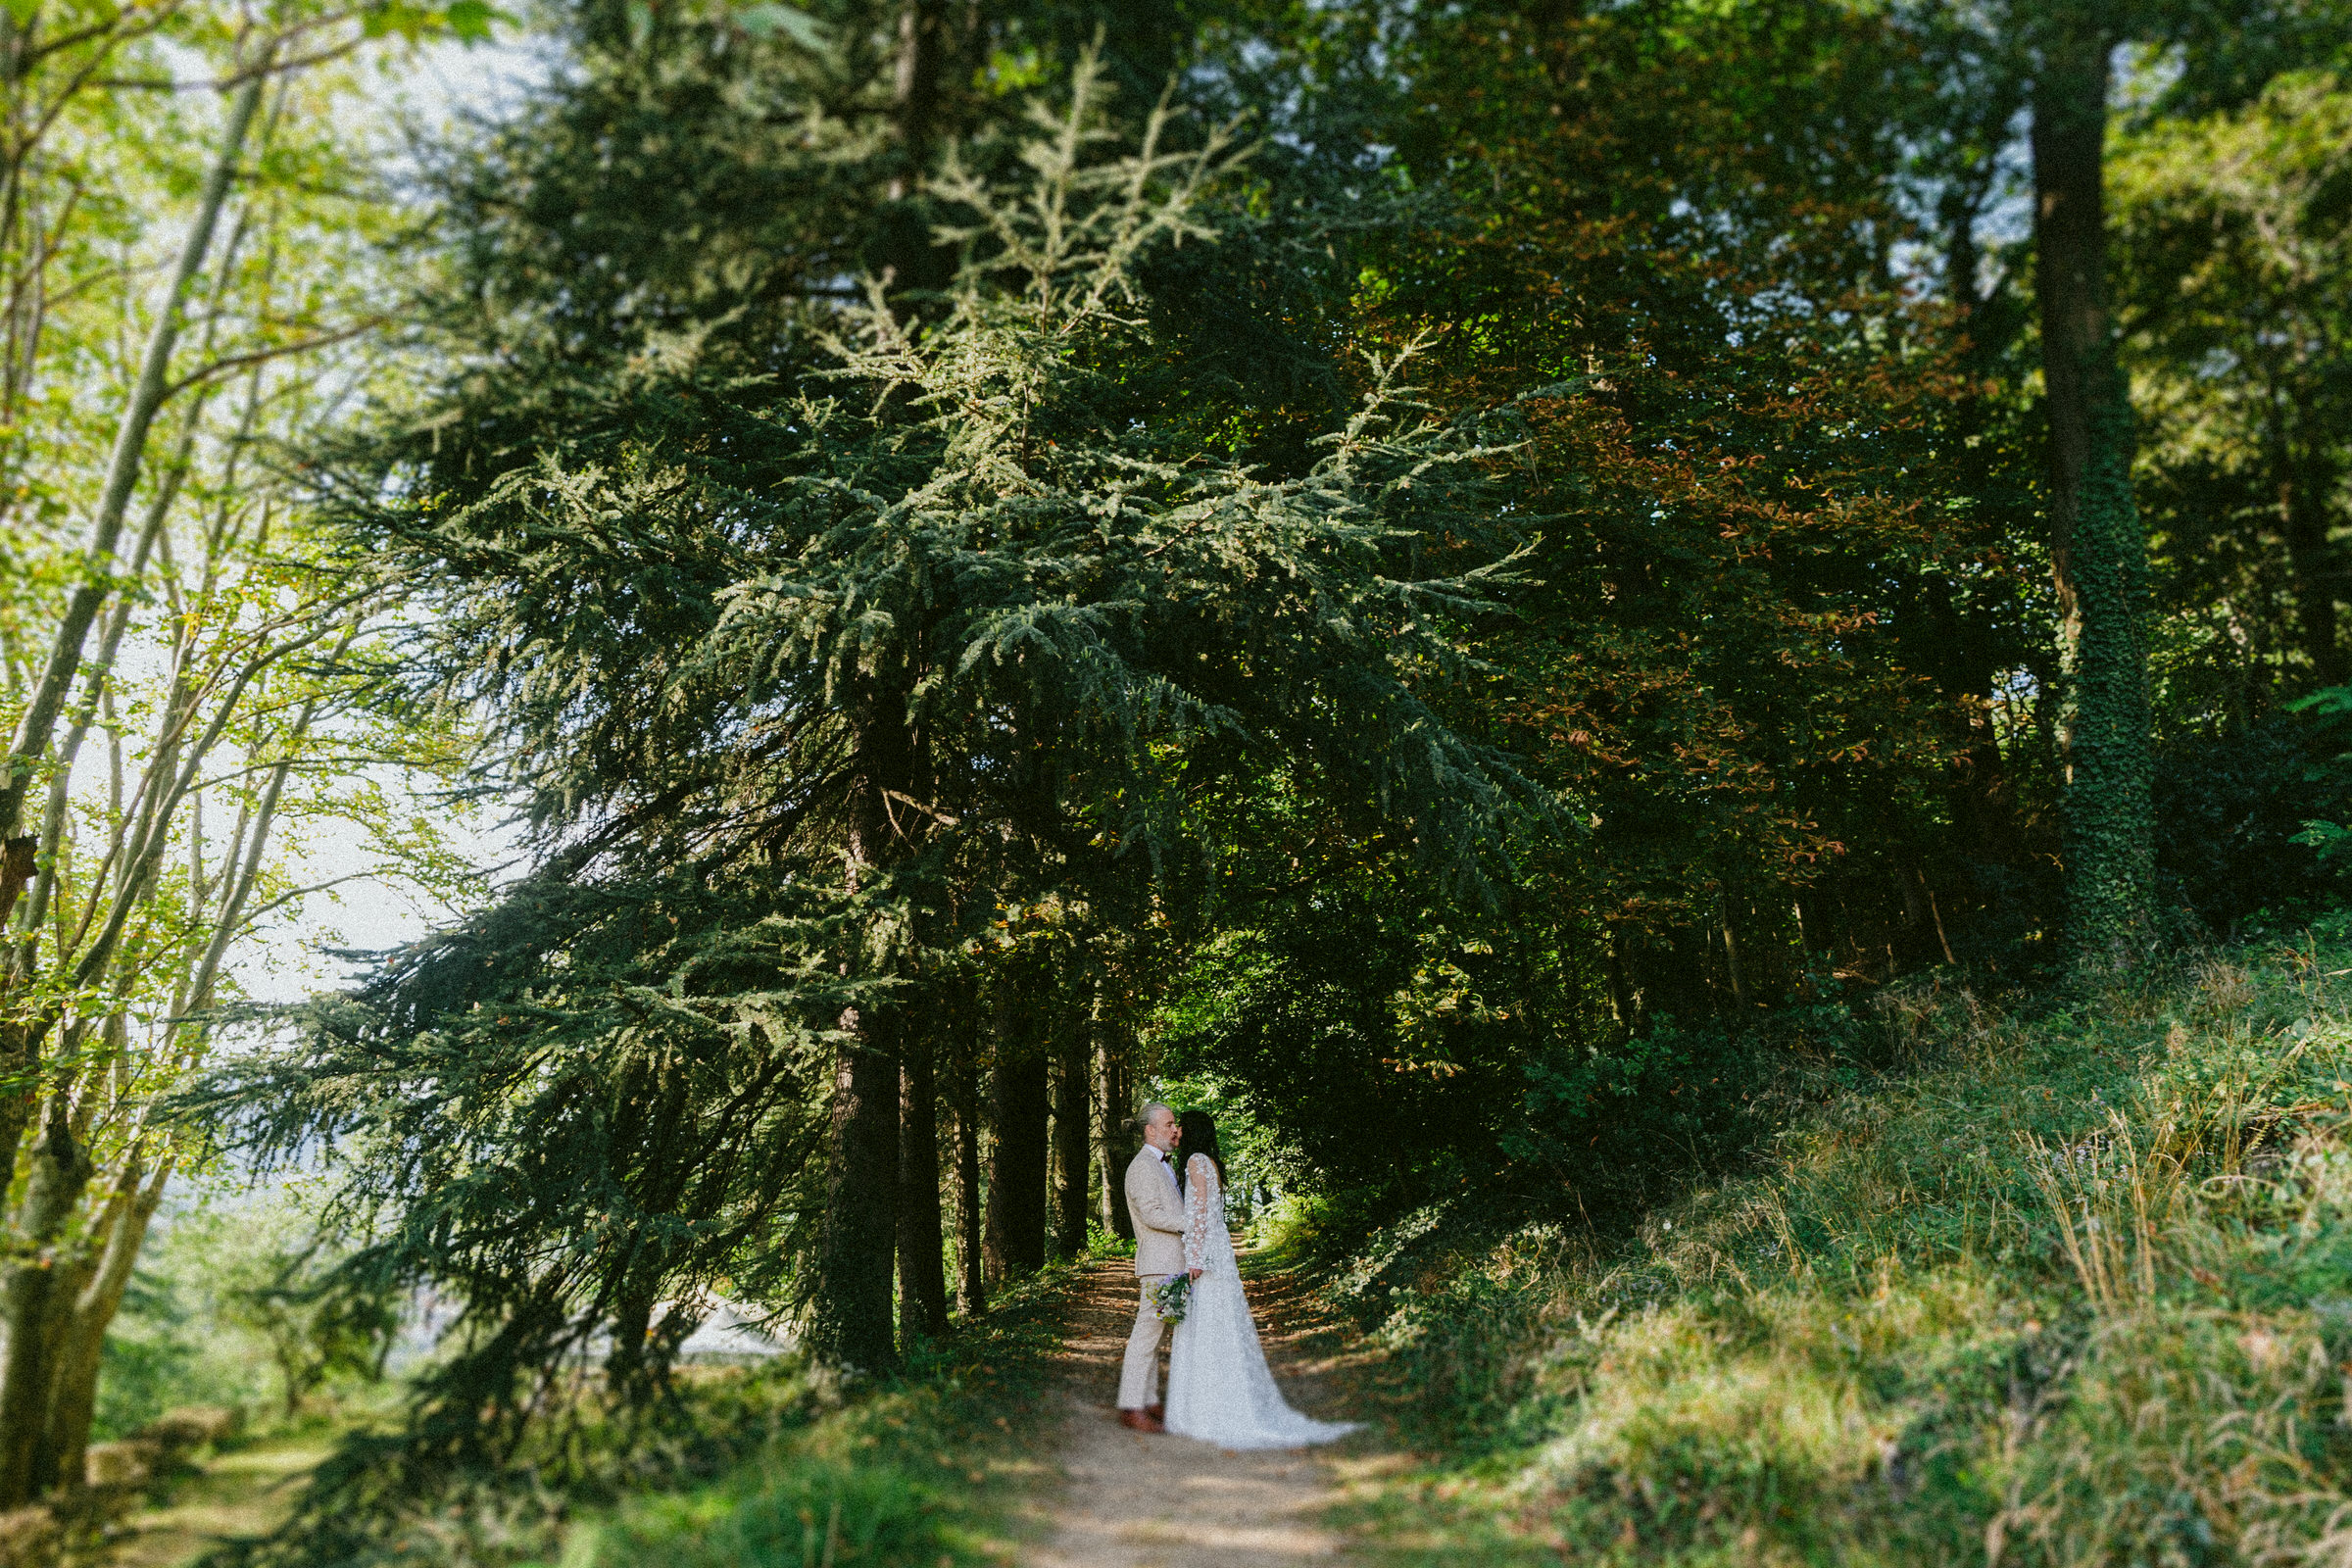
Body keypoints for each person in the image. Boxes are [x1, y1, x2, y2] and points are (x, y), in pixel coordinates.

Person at [1163, 1108, 1358, 1449]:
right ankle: (1220, 1401)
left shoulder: (1195, 1161)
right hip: (1219, 1254)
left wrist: (1194, 1259)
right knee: (1219, 1323)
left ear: (1191, 1131)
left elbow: (1200, 1215)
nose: (1176, 1130)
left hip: (1206, 1256)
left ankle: (1206, 1410)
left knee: (1206, 1324)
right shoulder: (1211, 1162)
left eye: (1181, 1124)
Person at [1116, 1102, 1191, 1433]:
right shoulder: (1142, 1167)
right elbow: (1152, 1215)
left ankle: (1148, 1400)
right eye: (1169, 1124)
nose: (1175, 1129)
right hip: (1159, 1263)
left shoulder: (1162, 1164)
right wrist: (1193, 1222)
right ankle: (1132, 1406)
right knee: (1146, 1335)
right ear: (1150, 1130)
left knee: (1156, 1336)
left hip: (1171, 1262)